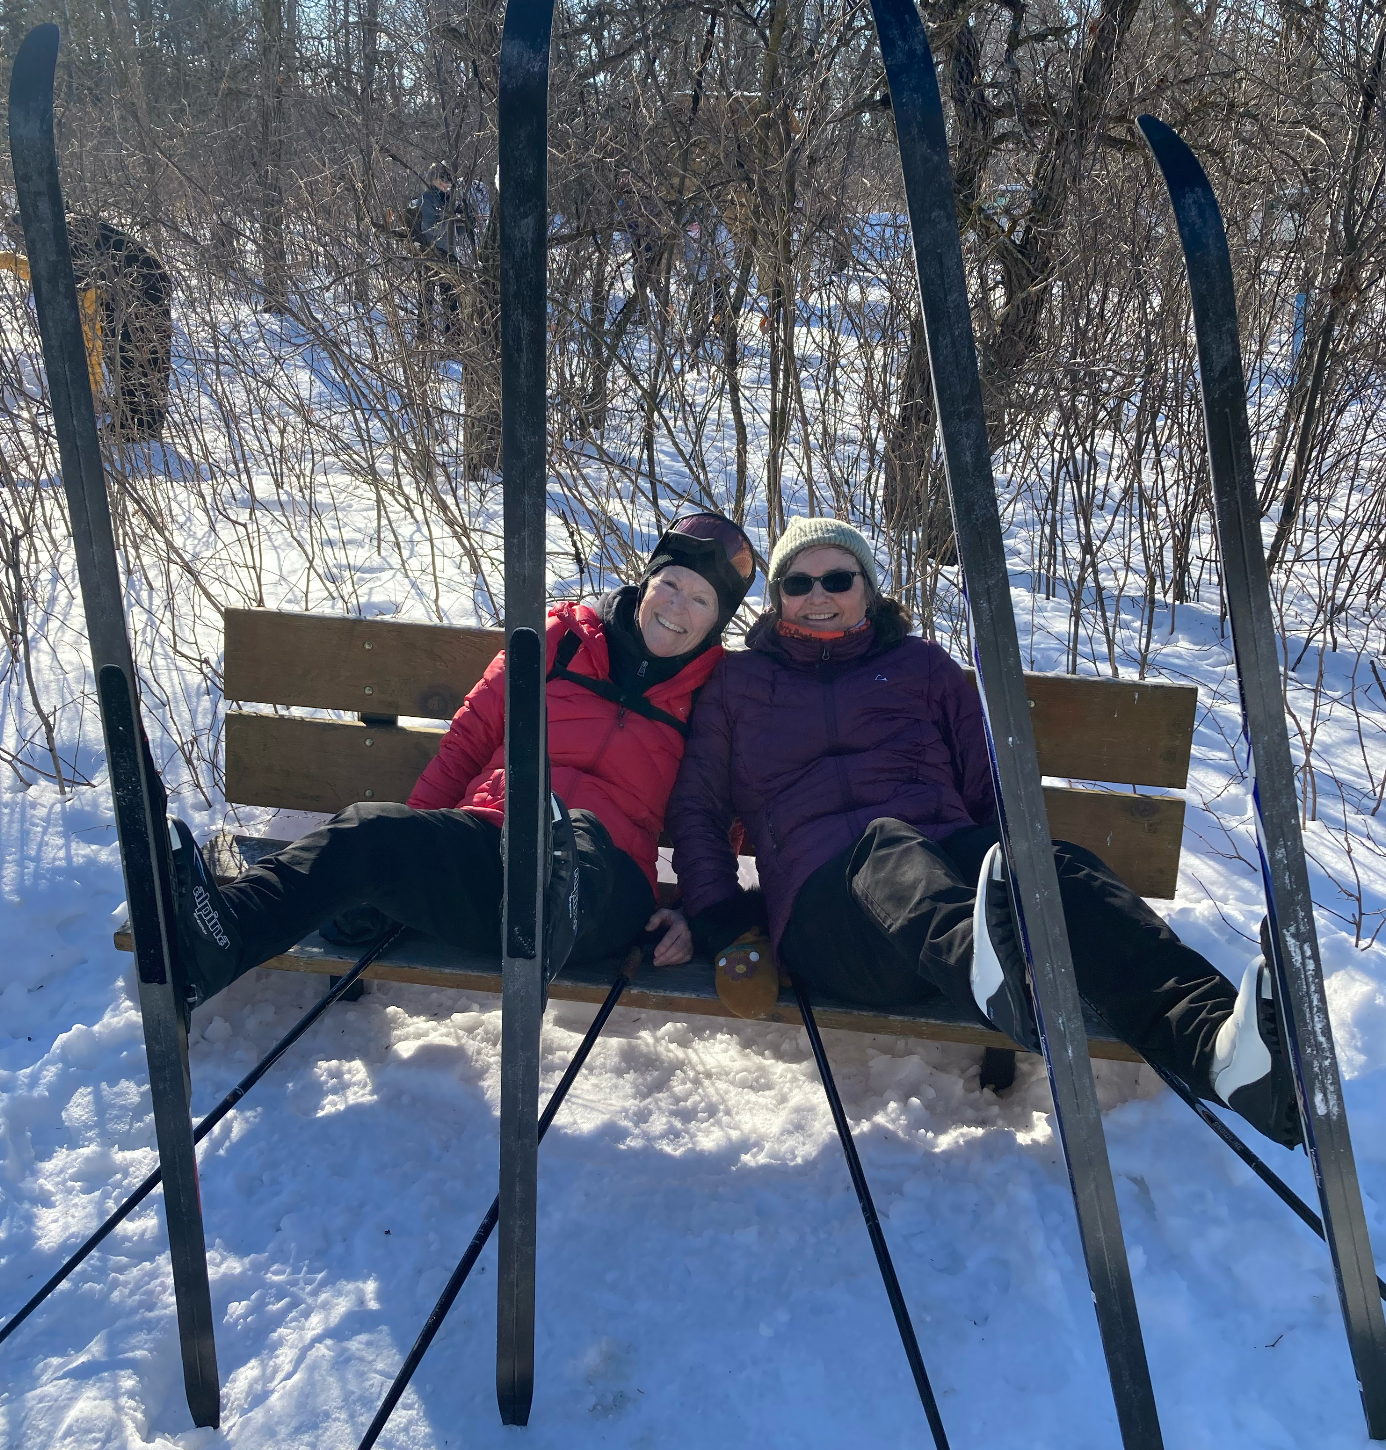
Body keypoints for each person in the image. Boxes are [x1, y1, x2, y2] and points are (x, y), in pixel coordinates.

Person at [667, 514, 1301, 1150]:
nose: (818, 595)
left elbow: (985, 789)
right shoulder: (739, 684)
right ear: (778, 598)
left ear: (868, 587)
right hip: (829, 917)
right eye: (798, 582)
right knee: (888, 845)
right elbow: (699, 807)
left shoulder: (921, 668)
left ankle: (1222, 1049)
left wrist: (1025, 874)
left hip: (943, 866)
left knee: (1057, 867)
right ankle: (987, 969)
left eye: (837, 577)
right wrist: (721, 917)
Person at [169, 513, 757, 1008]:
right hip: (494, 845)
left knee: (574, 843)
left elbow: (716, 816)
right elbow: (469, 743)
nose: (677, 608)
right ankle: (224, 933)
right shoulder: (560, 639)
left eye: (701, 600)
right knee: (367, 832)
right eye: (671, 585)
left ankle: (550, 908)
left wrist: (693, 914)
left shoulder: (717, 695)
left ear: (717, 620)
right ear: (648, 579)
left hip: (605, 886)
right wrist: (406, 856)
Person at [413, 162, 463, 342]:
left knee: (450, 301)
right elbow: (430, 229)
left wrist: (465, 217)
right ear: (433, 179)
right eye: (442, 180)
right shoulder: (426, 199)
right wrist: (449, 217)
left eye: (448, 181)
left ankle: (454, 341)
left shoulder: (449, 198)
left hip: (448, 258)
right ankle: (423, 339)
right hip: (428, 256)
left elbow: (460, 231)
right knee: (426, 300)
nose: (446, 184)